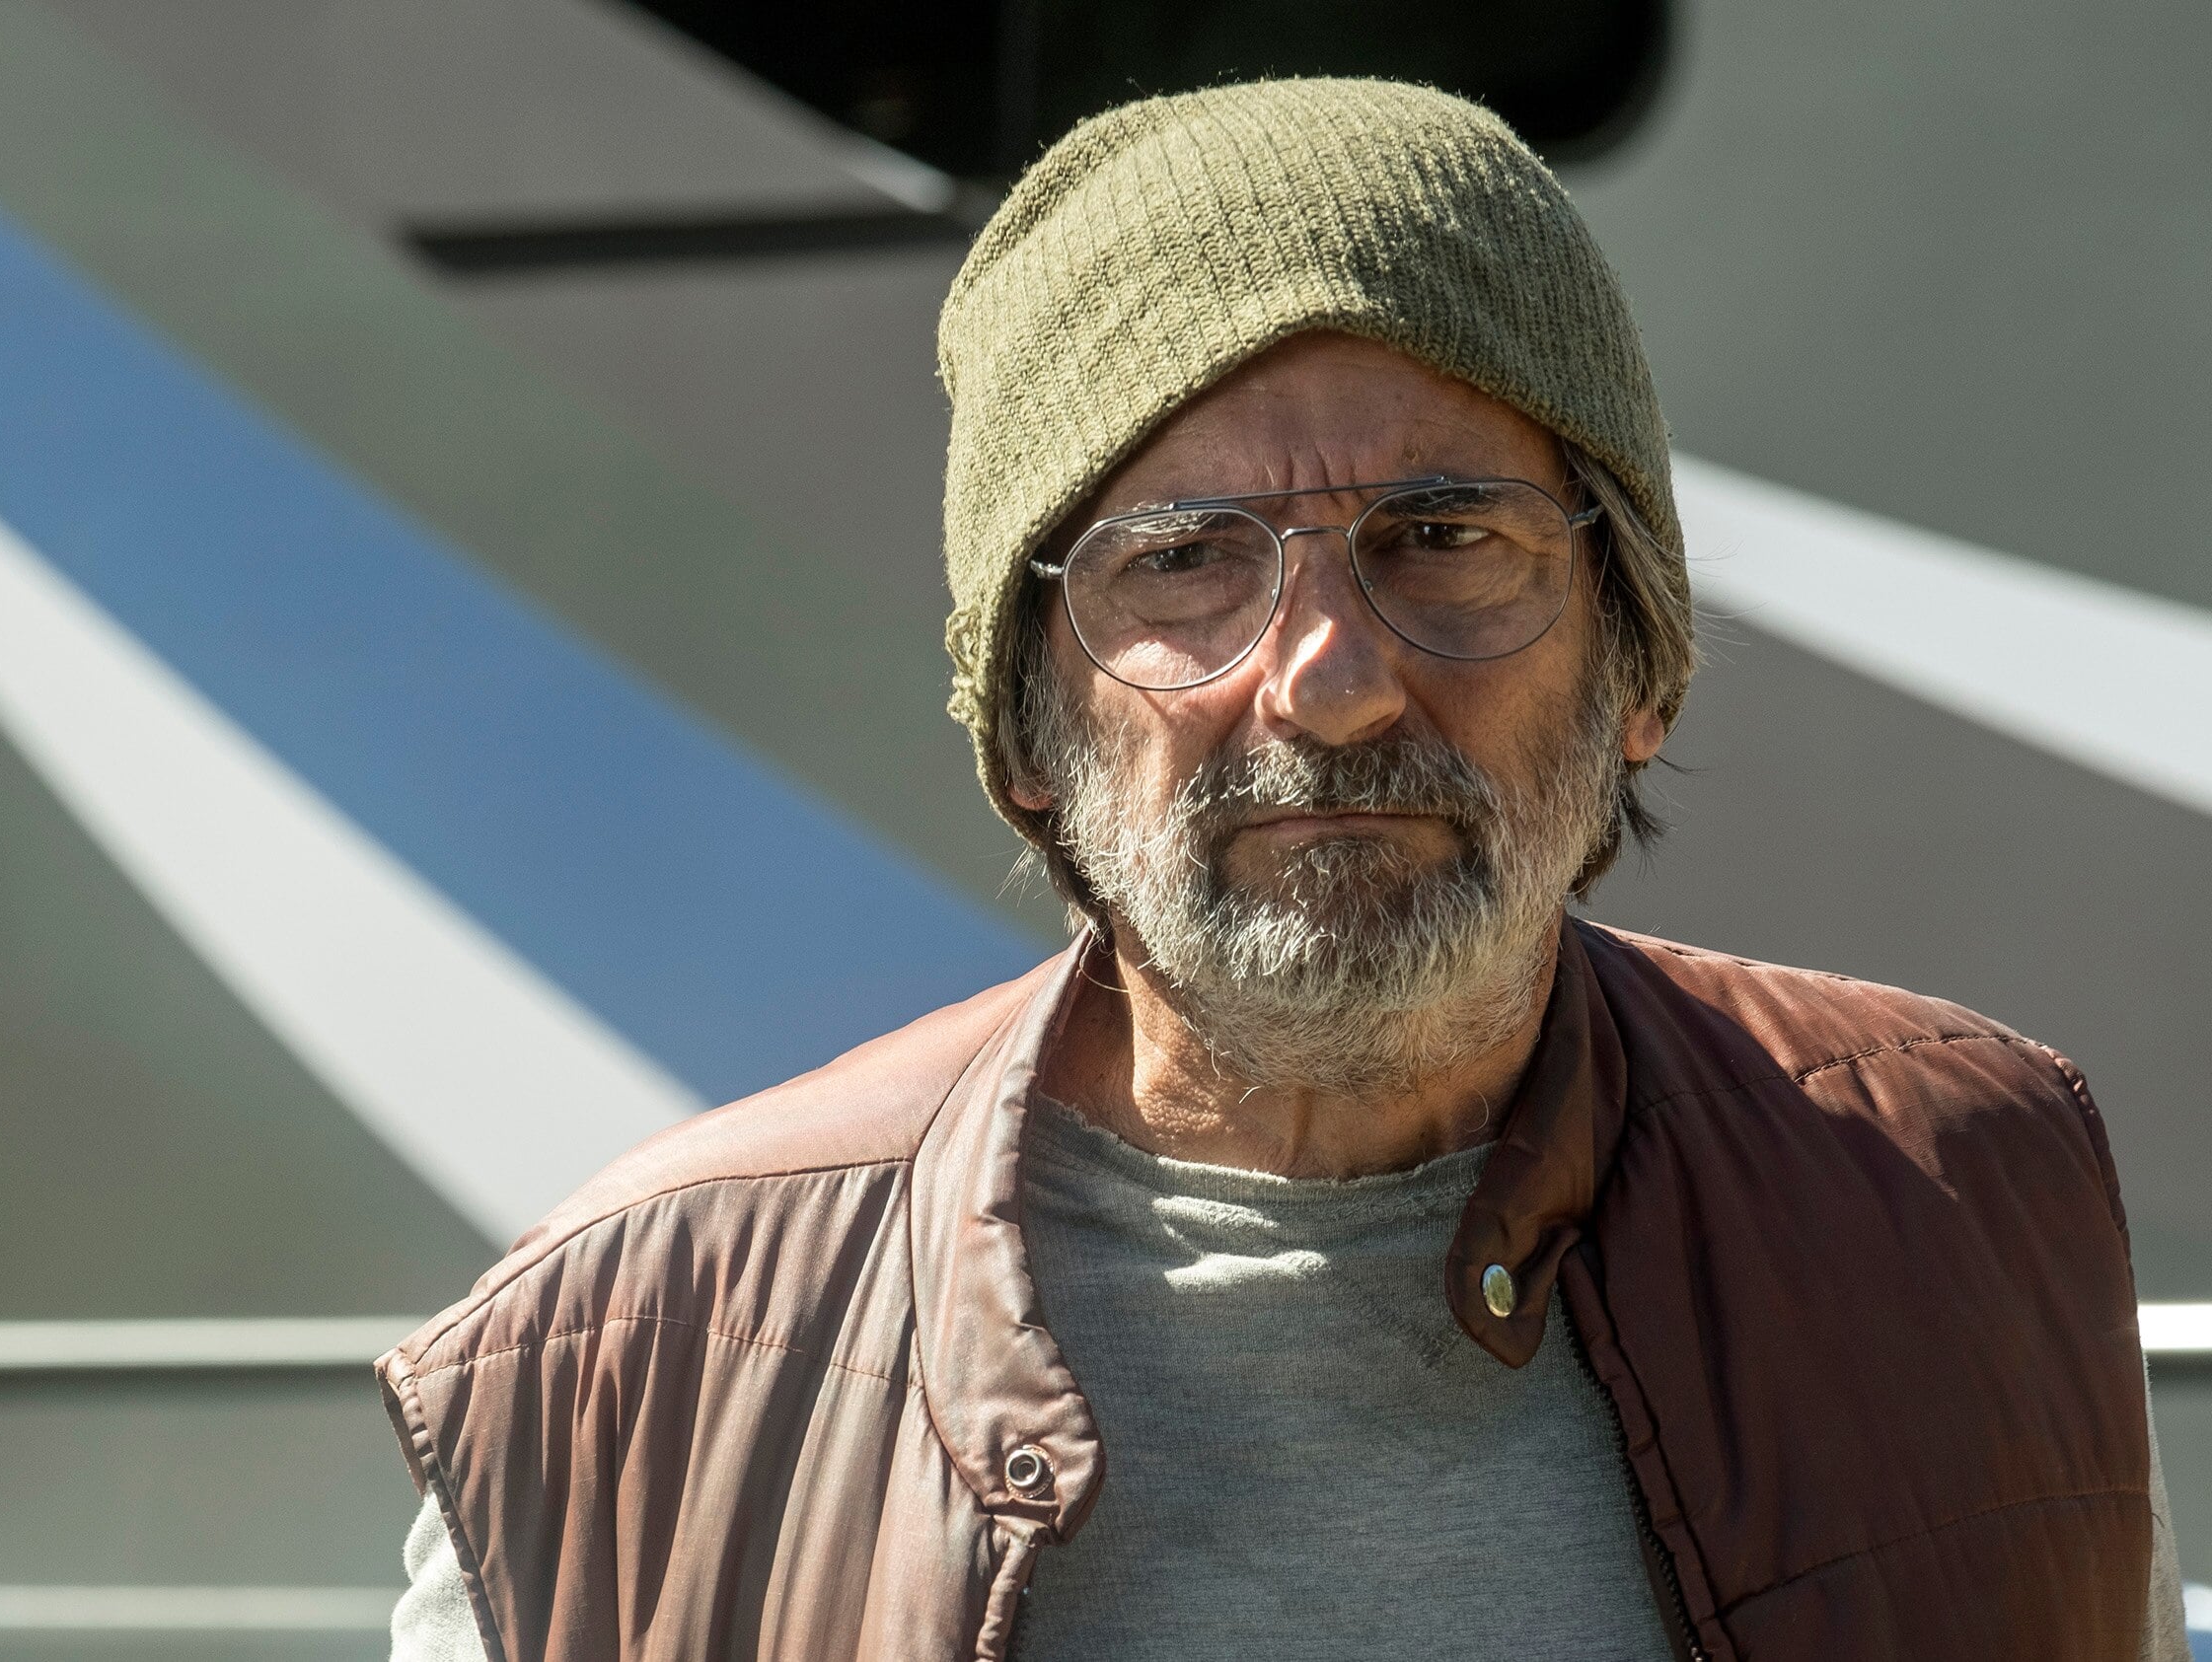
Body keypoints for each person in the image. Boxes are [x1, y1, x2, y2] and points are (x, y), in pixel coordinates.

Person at [377, 78, 2183, 1659]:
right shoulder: (624, 1358)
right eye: (1186, 559)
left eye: (1444, 533)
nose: (1330, 679)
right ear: (1027, 733)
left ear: (1636, 663)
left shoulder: (1959, 1201)